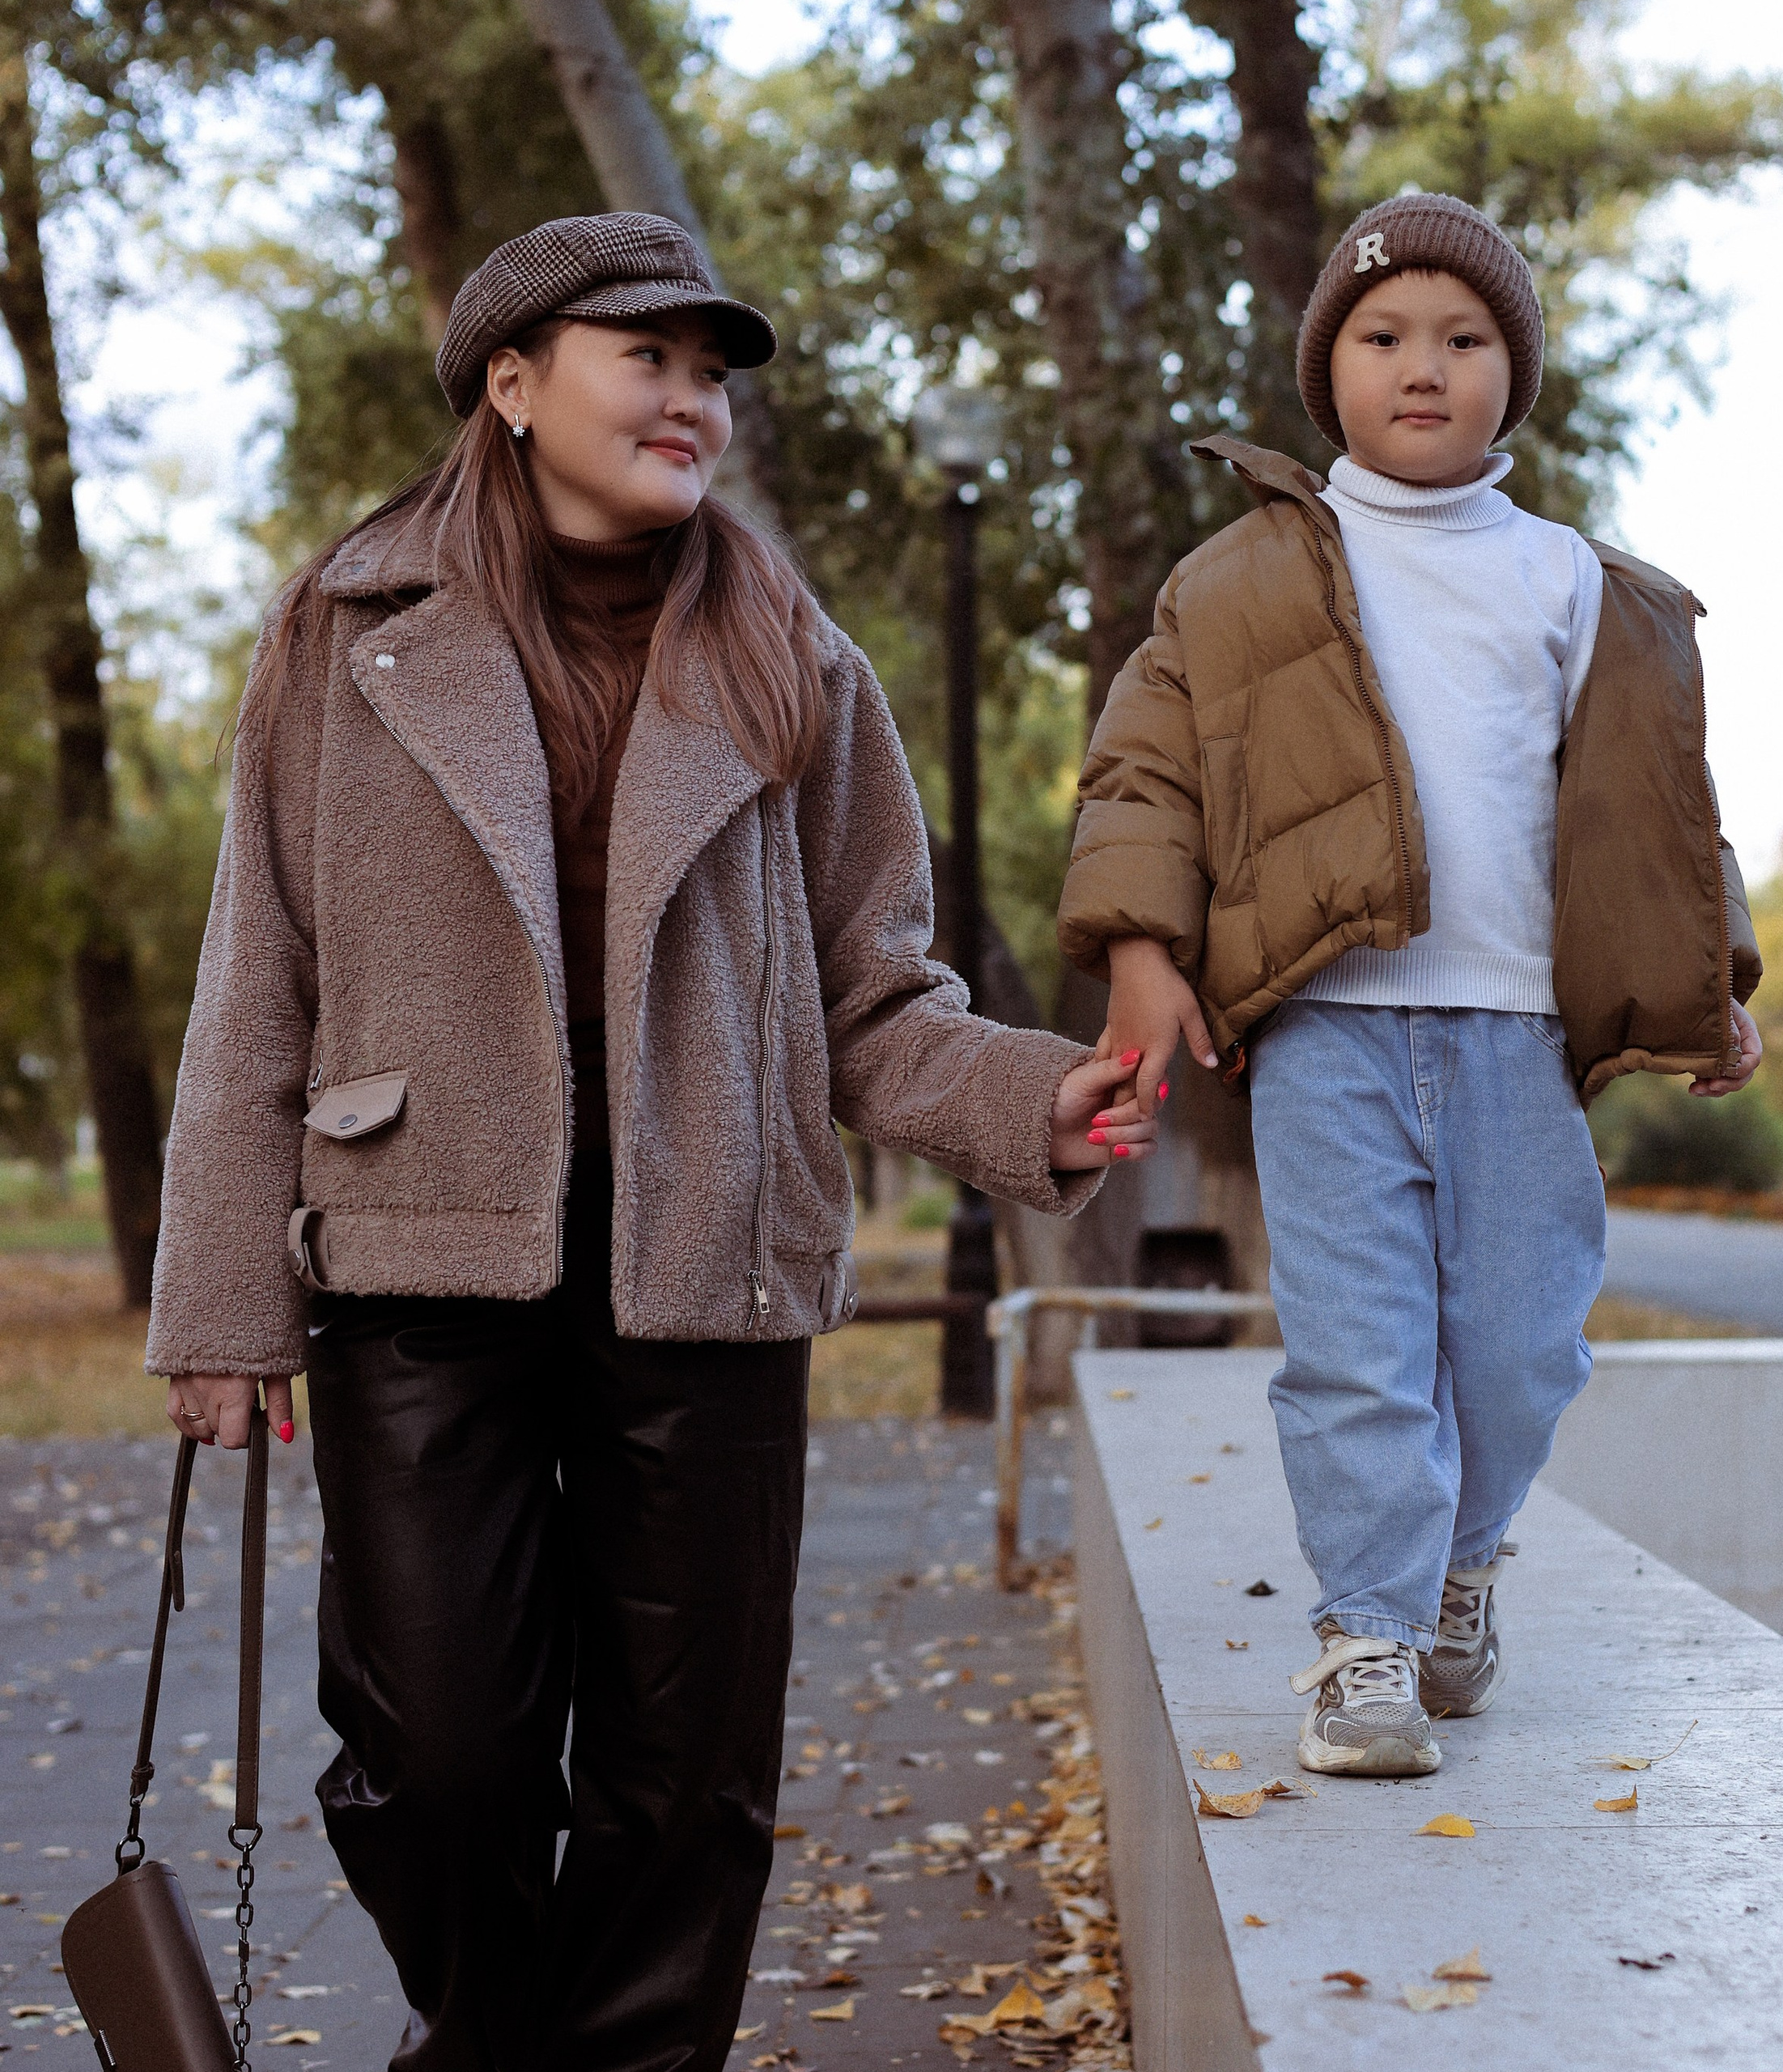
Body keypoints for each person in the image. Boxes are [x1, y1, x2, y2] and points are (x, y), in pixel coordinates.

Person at [144, 212, 1155, 2072]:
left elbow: (876, 995)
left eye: (711, 369)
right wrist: (221, 1299)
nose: (691, 396)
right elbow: (255, 980)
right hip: (418, 1232)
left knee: (684, 1779)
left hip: (710, 1240)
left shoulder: (796, 657)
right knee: (434, 1749)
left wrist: (1032, 1095)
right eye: (649, 356)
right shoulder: (347, 628)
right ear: (512, 384)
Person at [1057, 193, 1764, 1780]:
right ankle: (1363, 1637)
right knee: (1357, 1343)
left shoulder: (1584, 586)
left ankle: (1462, 1564)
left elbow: (1657, 806)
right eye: (1382, 336)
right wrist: (1139, 953)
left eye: (1461, 337)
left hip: (1521, 1030)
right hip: (1326, 1021)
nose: (1421, 364)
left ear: (1511, 373)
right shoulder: (1238, 581)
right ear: (1330, 371)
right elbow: (1144, 777)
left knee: (1517, 1345)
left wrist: (1711, 979)